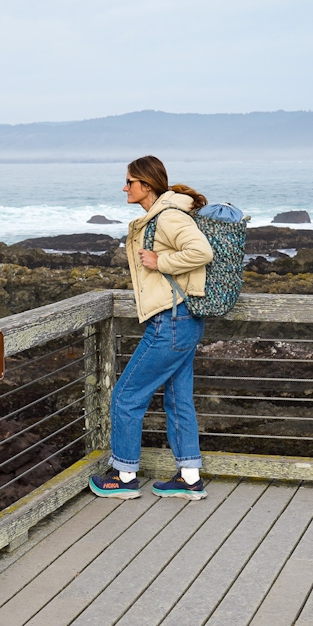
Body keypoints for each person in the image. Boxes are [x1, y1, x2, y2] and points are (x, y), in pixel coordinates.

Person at [90, 155, 214, 500]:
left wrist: (161, 261)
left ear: (146, 184)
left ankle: (124, 475)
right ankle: (189, 478)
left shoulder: (169, 217)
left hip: (171, 322)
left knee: (127, 396)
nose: (124, 187)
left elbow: (201, 251)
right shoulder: (162, 215)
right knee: (177, 399)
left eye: (129, 181)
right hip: (183, 320)